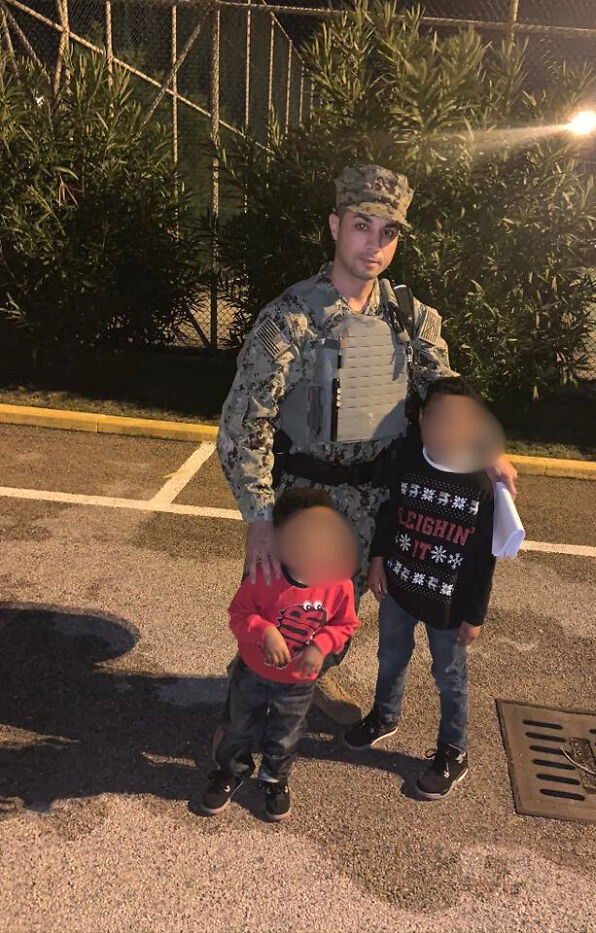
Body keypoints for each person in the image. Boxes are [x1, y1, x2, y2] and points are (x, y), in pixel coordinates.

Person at [217, 163, 517, 720]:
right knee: (276, 613)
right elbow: (243, 425)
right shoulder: (290, 319)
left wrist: (484, 447)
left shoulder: (410, 317)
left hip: (376, 503)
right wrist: (259, 517)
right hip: (301, 500)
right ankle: (242, 723)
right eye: (362, 225)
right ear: (334, 226)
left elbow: (443, 390)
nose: (374, 244)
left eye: (389, 232)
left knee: (336, 615)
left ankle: (315, 678)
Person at [344, 377, 500, 800]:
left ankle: (454, 750)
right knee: (390, 656)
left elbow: (484, 560)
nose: (444, 429)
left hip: (448, 605)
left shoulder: (481, 485)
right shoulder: (410, 459)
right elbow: (390, 512)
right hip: (399, 587)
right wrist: (378, 558)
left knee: (448, 677)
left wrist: (475, 615)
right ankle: (385, 715)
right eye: (436, 418)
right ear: (421, 421)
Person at [202, 487, 360, 821]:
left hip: (299, 681)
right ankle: (231, 771)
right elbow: (239, 614)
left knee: (286, 733)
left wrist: (321, 646)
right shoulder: (264, 575)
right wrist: (264, 630)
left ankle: (275, 778)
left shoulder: (338, 582)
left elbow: (345, 624)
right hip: (253, 672)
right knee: (237, 726)